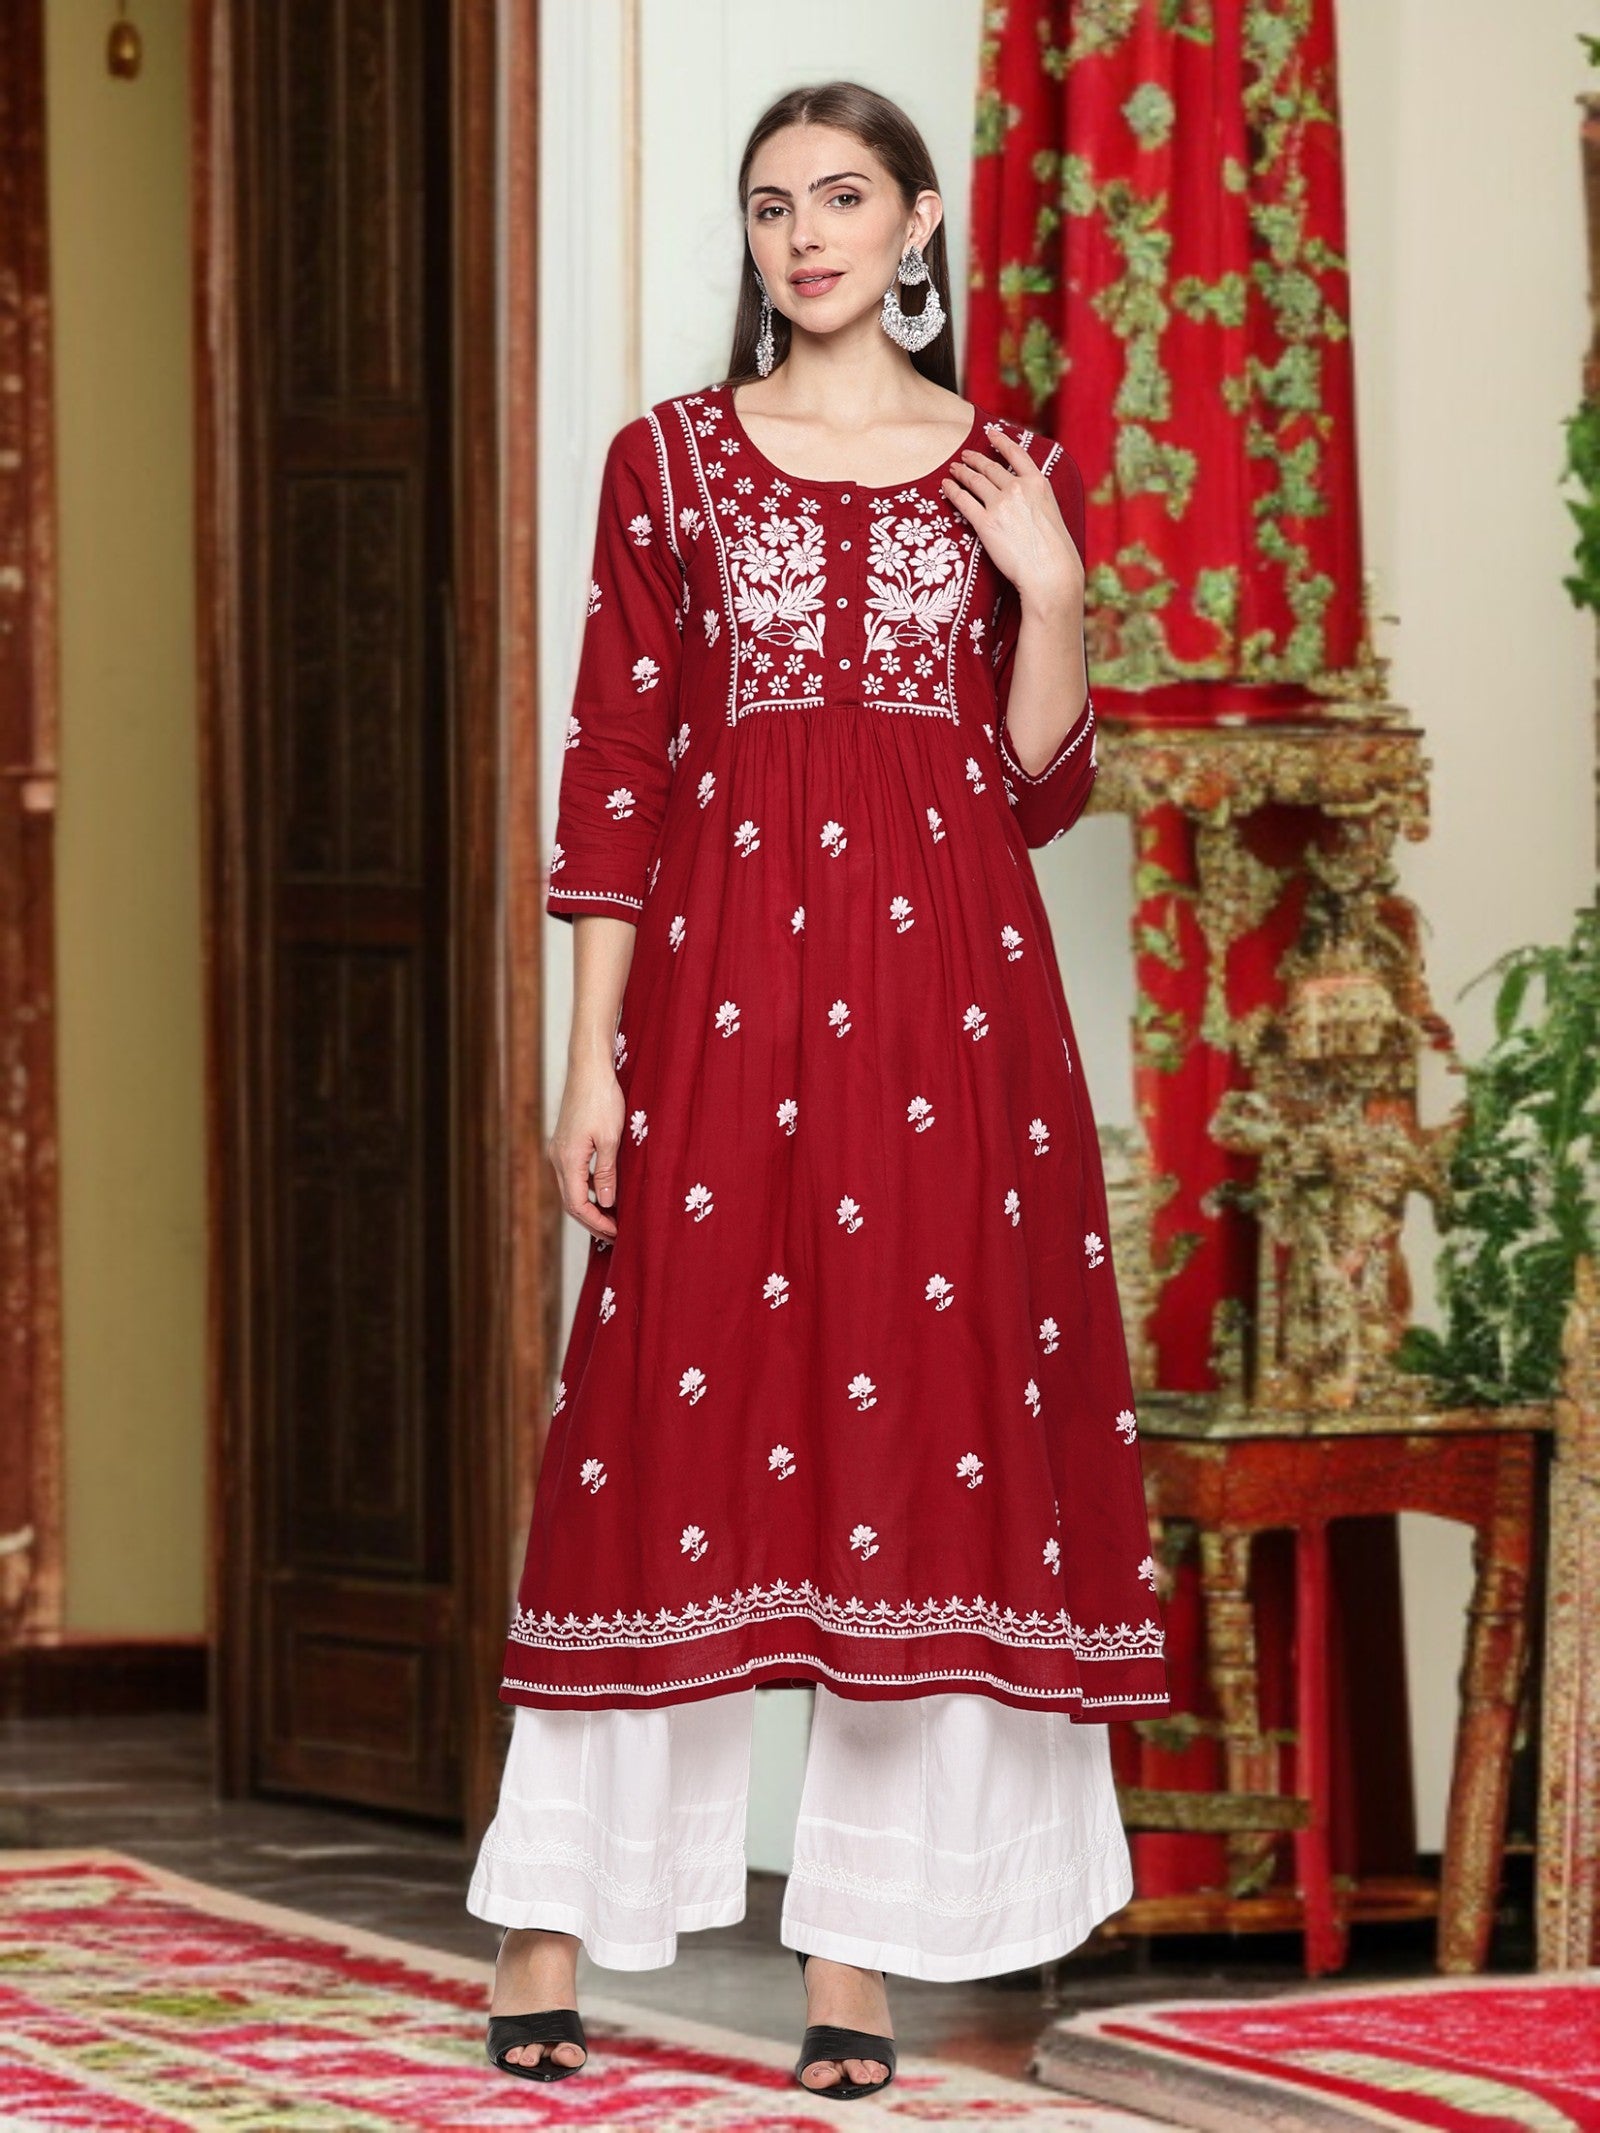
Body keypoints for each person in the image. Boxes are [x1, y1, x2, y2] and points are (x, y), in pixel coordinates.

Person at [471, 79, 1169, 2099]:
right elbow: (615, 765)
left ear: (918, 219)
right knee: (643, 1439)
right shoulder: (668, 464)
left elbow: (1033, 788)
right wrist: (589, 1051)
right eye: (772, 204)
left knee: (915, 1444)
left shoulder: (1000, 469)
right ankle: (547, 1921)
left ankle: (851, 1966)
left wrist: (1048, 587)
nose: (804, 235)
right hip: (717, 998)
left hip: (951, 1016)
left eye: (842, 196)